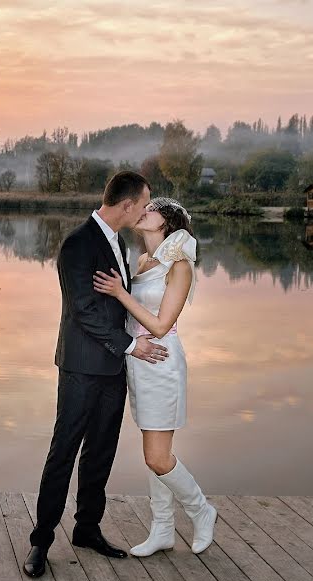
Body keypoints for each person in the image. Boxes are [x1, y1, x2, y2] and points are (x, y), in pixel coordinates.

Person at [23, 171, 170, 578]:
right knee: (64, 451)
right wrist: (131, 345)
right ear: (126, 205)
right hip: (80, 368)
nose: (144, 211)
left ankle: (87, 529)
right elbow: (84, 310)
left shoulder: (119, 242)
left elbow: (118, 306)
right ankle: (41, 541)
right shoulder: (77, 244)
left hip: (111, 369)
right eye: (142, 204)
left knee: (101, 451)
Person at [92, 196, 217, 556]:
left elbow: (162, 326)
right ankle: (163, 529)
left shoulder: (179, 266)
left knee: (157, 457)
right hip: (139, 362)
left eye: (151, 209)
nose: (141, 211)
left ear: (166, 222)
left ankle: (201, 510)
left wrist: (118, 292)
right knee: (157, 450)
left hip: (162, 362)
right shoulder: (145, 261)